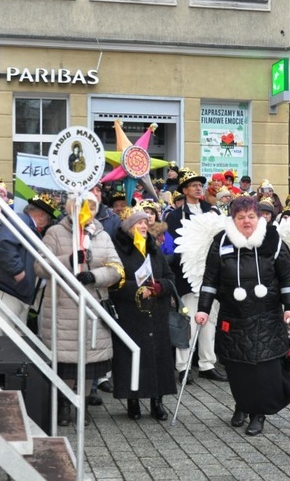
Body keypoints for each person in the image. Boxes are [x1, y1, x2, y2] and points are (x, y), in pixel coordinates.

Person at [194, 196, 290, 435]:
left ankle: (258, 413)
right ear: (233, 219)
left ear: (259, 217)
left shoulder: (273, 241)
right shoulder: (221, 242)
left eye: (251, 216)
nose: (246, 221)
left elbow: (287, 278)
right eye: (240, 217)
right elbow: (210, 279)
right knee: (237, 368)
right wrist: (203, 308)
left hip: (266, 316)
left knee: (263, 369)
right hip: (233, 316)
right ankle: (242, 405)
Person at [34, 193, 123, 426]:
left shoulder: (101, 234)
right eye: (84, 206)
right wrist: (70, 259)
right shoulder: (55, 232)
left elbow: (116, 268)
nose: (89, 211)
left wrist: (94, 275)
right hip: (63, 307)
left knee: (89, 364)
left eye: (93, 207)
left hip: (92, 307)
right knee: (67, 363)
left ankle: (81, 406)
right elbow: (40, 266)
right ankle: (64, 405)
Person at [109, 206, 177, 421]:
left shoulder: (154, 248)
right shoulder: (119, 250)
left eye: (146, 223)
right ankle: (133, 400)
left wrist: (159, 288)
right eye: (139, 223)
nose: (144, 226)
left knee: (158, 356)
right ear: (129, 227)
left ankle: (157, 401)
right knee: (132, 356)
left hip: (156, 311)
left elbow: (169, 277)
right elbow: (113, 282)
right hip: (131, 312)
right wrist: (137, 290)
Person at [165, 168, 227, 384]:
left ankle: (207, 364)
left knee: (210, 320)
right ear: (184, 190)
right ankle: (183, 367)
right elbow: (173, 248)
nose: (199, 188)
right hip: (187, 277)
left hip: (212, 275)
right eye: (194, 185)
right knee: (188, 321)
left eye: (200, 185)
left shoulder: (213, 211)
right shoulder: (174, 216)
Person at [0, 193, 57, 335]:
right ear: (41, 215)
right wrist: (19, 275)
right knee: (0, 337)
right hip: (5, 287)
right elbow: (4, 244)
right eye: (49, 219)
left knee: (13, 338)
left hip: (14, 290)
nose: (48, 223)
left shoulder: (24, 223)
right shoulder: (21, 220)